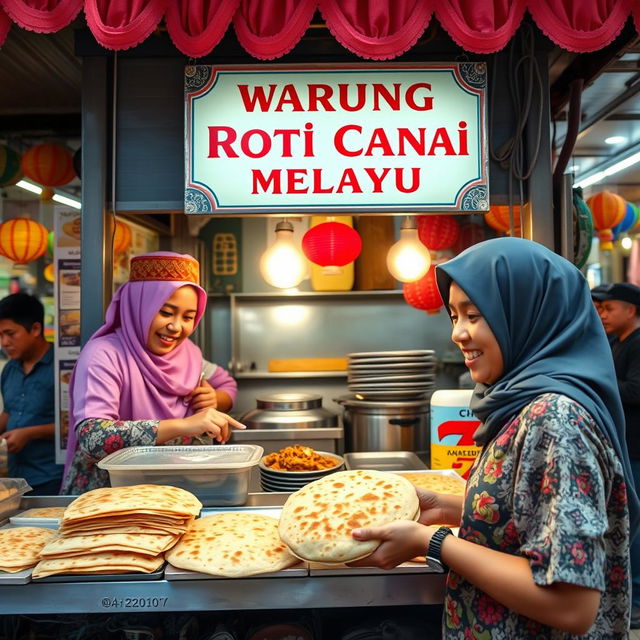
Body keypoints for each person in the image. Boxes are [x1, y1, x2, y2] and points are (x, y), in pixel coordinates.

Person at [350, 237, 639, 638]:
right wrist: (449, 507)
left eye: (475, 315)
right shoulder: (522, 403)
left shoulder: (556, 418)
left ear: (528, 314)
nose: (458, 333)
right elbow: (530, 515)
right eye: (453, 316)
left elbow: (571, 604)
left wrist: (432, 542)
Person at [61, 251, 244, 494]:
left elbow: (227, 384)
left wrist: (215, 399)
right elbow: (93, 437)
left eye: (188, 317)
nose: (176, 327)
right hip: (110, 500)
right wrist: (184, 425)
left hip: (175, 492)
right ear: (140, 306)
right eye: (166, 312)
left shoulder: (188, 353)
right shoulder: (103, 354)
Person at [591, 281, 640, 628]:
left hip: (637, 447)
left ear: (631, 311)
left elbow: (636, 389)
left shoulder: (638, 344)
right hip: (621, 447)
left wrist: (599, 385)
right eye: (599, 308)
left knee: (634, 524)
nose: (602, 314)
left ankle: (635, 599)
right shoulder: (613, 342)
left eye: (609, 308)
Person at [0, 293, 62, 495]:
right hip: (15, 478)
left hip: (51, 478)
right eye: (0, 335)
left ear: (35, 329)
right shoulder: (10, 369)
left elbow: (77, 424)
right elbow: (10, 411)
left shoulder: (63, 369)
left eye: (10, 334)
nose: (4, 342)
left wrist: (28, 433)